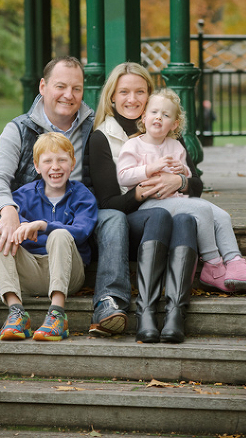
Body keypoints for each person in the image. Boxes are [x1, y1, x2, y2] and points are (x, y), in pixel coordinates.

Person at [0, 56, 129, 339]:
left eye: (76, 88)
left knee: (114, 217)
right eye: (61, 86)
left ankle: (107, 303)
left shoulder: (96, 126)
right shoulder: (18, 129)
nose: (69, 95)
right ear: (43, 86)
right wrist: (8, 210)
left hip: (81, 219)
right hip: (27, 228)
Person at [88, 63, 201, 343]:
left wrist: (180, 182)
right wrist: (141, 192)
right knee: (161, 215)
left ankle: (175, 313)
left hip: (167, 214)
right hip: (128, 221)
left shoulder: (166, 133)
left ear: (150, 96)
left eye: (140, 91)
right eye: (124, 91)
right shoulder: (102, 137)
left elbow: (197, 185)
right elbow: (108, 203)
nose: (132, 99)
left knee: (186, 219)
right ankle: (147, 312)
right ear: (112, 96)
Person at [117, 88, 246, 294]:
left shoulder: (175, 146)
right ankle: (213, 264)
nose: (158, 118)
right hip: (150, 204)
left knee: (222, 216)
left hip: (178, 200)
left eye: (166, 115)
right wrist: (149, 169)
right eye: (154, 112)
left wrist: (183, 172)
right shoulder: (133, 145)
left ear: (175, 124)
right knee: (202, 210)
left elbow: (188, 176)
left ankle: (235, 263)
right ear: (144, 117)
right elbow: (123, 176)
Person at [0, 133, 97, 341]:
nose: (55, 166)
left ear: (72, 163)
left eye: (62, 160)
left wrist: (45, 225)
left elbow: (82, 230)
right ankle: (16, 313)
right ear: (36, 165)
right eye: (48, 161)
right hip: (30, 271)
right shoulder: (25, 194)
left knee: (60, 234)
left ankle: (57, 315)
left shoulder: (83, 195)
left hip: (69, 274)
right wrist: (17, 220)